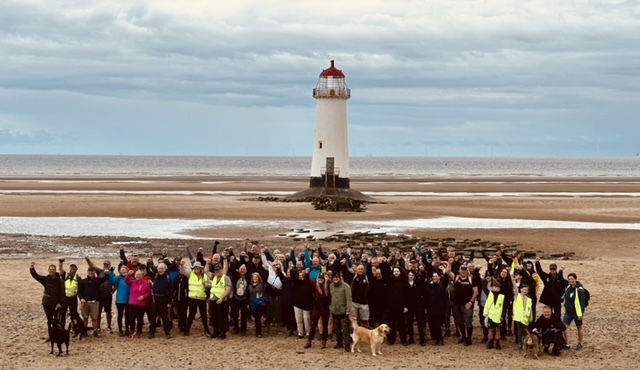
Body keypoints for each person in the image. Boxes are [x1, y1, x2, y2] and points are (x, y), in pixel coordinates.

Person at [449, 264, 478, 346]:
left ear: (467, 271)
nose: (464, 271)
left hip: (467, 305)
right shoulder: (456, 278)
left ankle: (469, 338)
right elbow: (448, 272)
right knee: (460, 322)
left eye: (465, 270)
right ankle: (464, 337)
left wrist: (470, 302)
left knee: (468, 322)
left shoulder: (471, 279)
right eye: (462, 270)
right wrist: (449, 263)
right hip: (457, 304)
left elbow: (476, 291)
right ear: (460, 270)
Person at [30, 262, 65, 330]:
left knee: (56, 319)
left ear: (55, 270)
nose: (51, 271)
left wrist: (60, 303)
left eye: (53, 269)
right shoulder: (46, 279)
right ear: (48, 270)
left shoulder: (59, 281)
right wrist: (32, 268)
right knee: (49, 319)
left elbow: (62, 293)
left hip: (55, 303)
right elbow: (36, 276)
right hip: (46, 302)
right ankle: (51, 335)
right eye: (50, 269)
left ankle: (57, 335)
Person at [181, 261, 211, 337]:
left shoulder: (205, 276)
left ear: (201, 268)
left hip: (202, 298)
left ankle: (206, 330)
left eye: (198, 267)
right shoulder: (190, 274)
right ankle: (187, 330)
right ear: (193, 268)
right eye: (195, 268)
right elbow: (182, 271)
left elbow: (212, 284)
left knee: (204, 315)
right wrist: (181, 265)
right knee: (191, 314)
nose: (196, 269)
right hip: (192, 298)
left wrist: (206, 285)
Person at [78, 266, 109, 337]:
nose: (90, 273)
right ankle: (85, 331)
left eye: (92, 272)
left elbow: (105, 279)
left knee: (95, 318)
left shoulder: (97, 280)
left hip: (95, 302)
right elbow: (79, 291)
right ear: (87, 272)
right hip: (85, 302)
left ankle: (95, 331)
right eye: (89, 272)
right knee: (85, 318)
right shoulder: (83, 281)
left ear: (94, 272)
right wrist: (81, 298)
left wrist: (107, 273)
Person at [305, 273, 331, 349]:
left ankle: (324, 341)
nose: (321, 280)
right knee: (313, 325)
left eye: (322, 278)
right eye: (319, 278)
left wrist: (328, 279)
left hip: (325, 308)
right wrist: (307, 274)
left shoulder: (327, 285)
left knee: (325, 325)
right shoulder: (315, 285)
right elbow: (308, 281)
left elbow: (332, 281)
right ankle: (309, 340)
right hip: (317, 308)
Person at [148, 262, 173, 339]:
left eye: (162, 268)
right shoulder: (155, 276)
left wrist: (169, 302)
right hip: (155, 300)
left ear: (165, 269)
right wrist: (148, 263)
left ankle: (167, 332)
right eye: (159, 268)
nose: (161, 270)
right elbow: (148, 271)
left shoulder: (168, 279)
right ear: (157, 269)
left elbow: (171, 292)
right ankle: (151, 333)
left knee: (164, 318)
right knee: (153, 318)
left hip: (164, 300)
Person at [563, 273, 587, 350]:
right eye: (569, 279)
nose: (570, 280)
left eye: (572, 279)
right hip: (568, 311)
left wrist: (581, 314)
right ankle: (567, 343)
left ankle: (580, 344)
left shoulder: (579, 289)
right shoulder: (569, 287)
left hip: (577, 312)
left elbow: (582, 302)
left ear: (575, 279)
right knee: (565, 326)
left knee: (579, 327)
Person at [329, 273, 352, 352]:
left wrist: (348, 310)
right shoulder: (331, 286)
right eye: (334, 277)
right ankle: (339, 343)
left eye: (337, 277)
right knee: (337, 328)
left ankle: (347, 345)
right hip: (334, 310)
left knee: (345, 329)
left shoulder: (346, 286)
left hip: (343, 310)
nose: (335, 278)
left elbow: (349, 299)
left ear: (340, 277)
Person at [125, 269, 152, 338]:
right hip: (132, 303)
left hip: (142, 304)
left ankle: (139, 331)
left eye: (139, 275)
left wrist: (143, 297)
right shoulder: (132, 282)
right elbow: (126, 280)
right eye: (136, 275)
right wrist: (128, 274)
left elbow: (149, 293)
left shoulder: (146, 283)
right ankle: (132, 331)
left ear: (142, 276)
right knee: (132, 319)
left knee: (140, 319)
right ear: (134, 276)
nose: (138, 276)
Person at [425, 269, 448, 346]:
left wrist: (445, 272)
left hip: (439, 309)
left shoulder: (441, 286)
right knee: (432, 325)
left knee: (438, 325)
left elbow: (446, 280)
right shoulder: (428, 286)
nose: (434, 278)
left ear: (439, 277)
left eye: (436, 276)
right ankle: (435, 339)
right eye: (433, 276)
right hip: (430, 308)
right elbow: (426, 297)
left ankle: (440, 339)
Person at [209, 264, 232, 339]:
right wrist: (207, 263)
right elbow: (206, 272)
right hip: (213, 300)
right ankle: (216, 332)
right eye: (216, 270)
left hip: (222, 300)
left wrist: (222, 298)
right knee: (214, 317)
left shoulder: (226, 278)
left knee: (222, 317)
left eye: (219, 270)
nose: (217, 271)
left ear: (222, 270)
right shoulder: (214, 277)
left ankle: (223, 332)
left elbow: (228, 289)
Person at [387, 267, 408, 346]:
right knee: (391, 324)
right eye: (394, 271)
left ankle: (404, 340)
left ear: (400, 272)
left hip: (401, 306)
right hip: (391, 306)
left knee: (402, 324)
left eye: (397, 271)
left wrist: (406, 306)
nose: (395, 272)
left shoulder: (404, 282)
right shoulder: (390, 281)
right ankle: (391, 339)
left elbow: (407, 295)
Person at [109, 265, 131, 337]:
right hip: (120, 300)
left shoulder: (131, 278)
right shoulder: (118, 278)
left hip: (128, 300)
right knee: (120, 315)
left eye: (125, 269)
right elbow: (111, 280)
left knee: (128, 315)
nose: (123, 271)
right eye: (122, 270)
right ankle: (120, 330)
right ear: (119, 271)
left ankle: (127, 329)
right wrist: (111, 271)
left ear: (127, 270)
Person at [59, 259, 81, 326]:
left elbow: (80, 289)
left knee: (73, 314)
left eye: (74, 267)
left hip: (73, 298)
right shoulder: (65, 275)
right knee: (62, 313)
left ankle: (74, 327)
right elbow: (60, 269)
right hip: (65, 298)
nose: (72, 268)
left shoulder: (78, 278)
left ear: (76, 269)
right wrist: (61, 262)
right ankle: (62, 327)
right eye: (71, 267)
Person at [484, 280, 505, 350]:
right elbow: (487, 304)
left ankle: (498, 342)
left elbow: (503, 307)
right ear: (492, 287)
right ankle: (490, 342)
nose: (496, 288)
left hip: (498, 316)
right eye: (494, 287)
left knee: (498, 330)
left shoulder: (502, 296)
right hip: (491, 315)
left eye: (498, 287)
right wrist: (486, 314)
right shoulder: (490, 295)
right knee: (491, 329)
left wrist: (502, 315)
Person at [231, 264, 250, 335]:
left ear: (246, 270)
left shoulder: (248, 278)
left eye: (244, 269)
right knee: (235, 314)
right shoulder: (236, 276)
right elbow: (232, 268)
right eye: (241, 269)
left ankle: (243, 329)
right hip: (235, 298)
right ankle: (235, 328)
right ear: (239, 270)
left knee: (243, 315)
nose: (242, 270)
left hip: (245, 299)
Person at [513, 284, 534, 350]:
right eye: (523, 289)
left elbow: (530, 309)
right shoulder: (517, 296)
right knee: (519, 330)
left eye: (526, 290)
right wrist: (512, 278)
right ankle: (520, 342)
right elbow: (515, 288)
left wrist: (531, 317)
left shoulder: (529, 299)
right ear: (521, 289)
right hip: (518, 317)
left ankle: (525, 342)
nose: (524, 291)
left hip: (525, 318)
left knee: (525, 330)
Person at [249, 272, 267, 338]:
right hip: (253, 304)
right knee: (255, 317)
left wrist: (267, 270)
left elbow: (265, 278)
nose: (255, 278)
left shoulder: (261, 284)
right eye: (254, 277)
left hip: (260, 303)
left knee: (257, 317)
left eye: (256, 277)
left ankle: (258, 332)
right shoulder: (250, 286)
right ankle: (257, 329)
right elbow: (249, 295)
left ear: (258, 278)